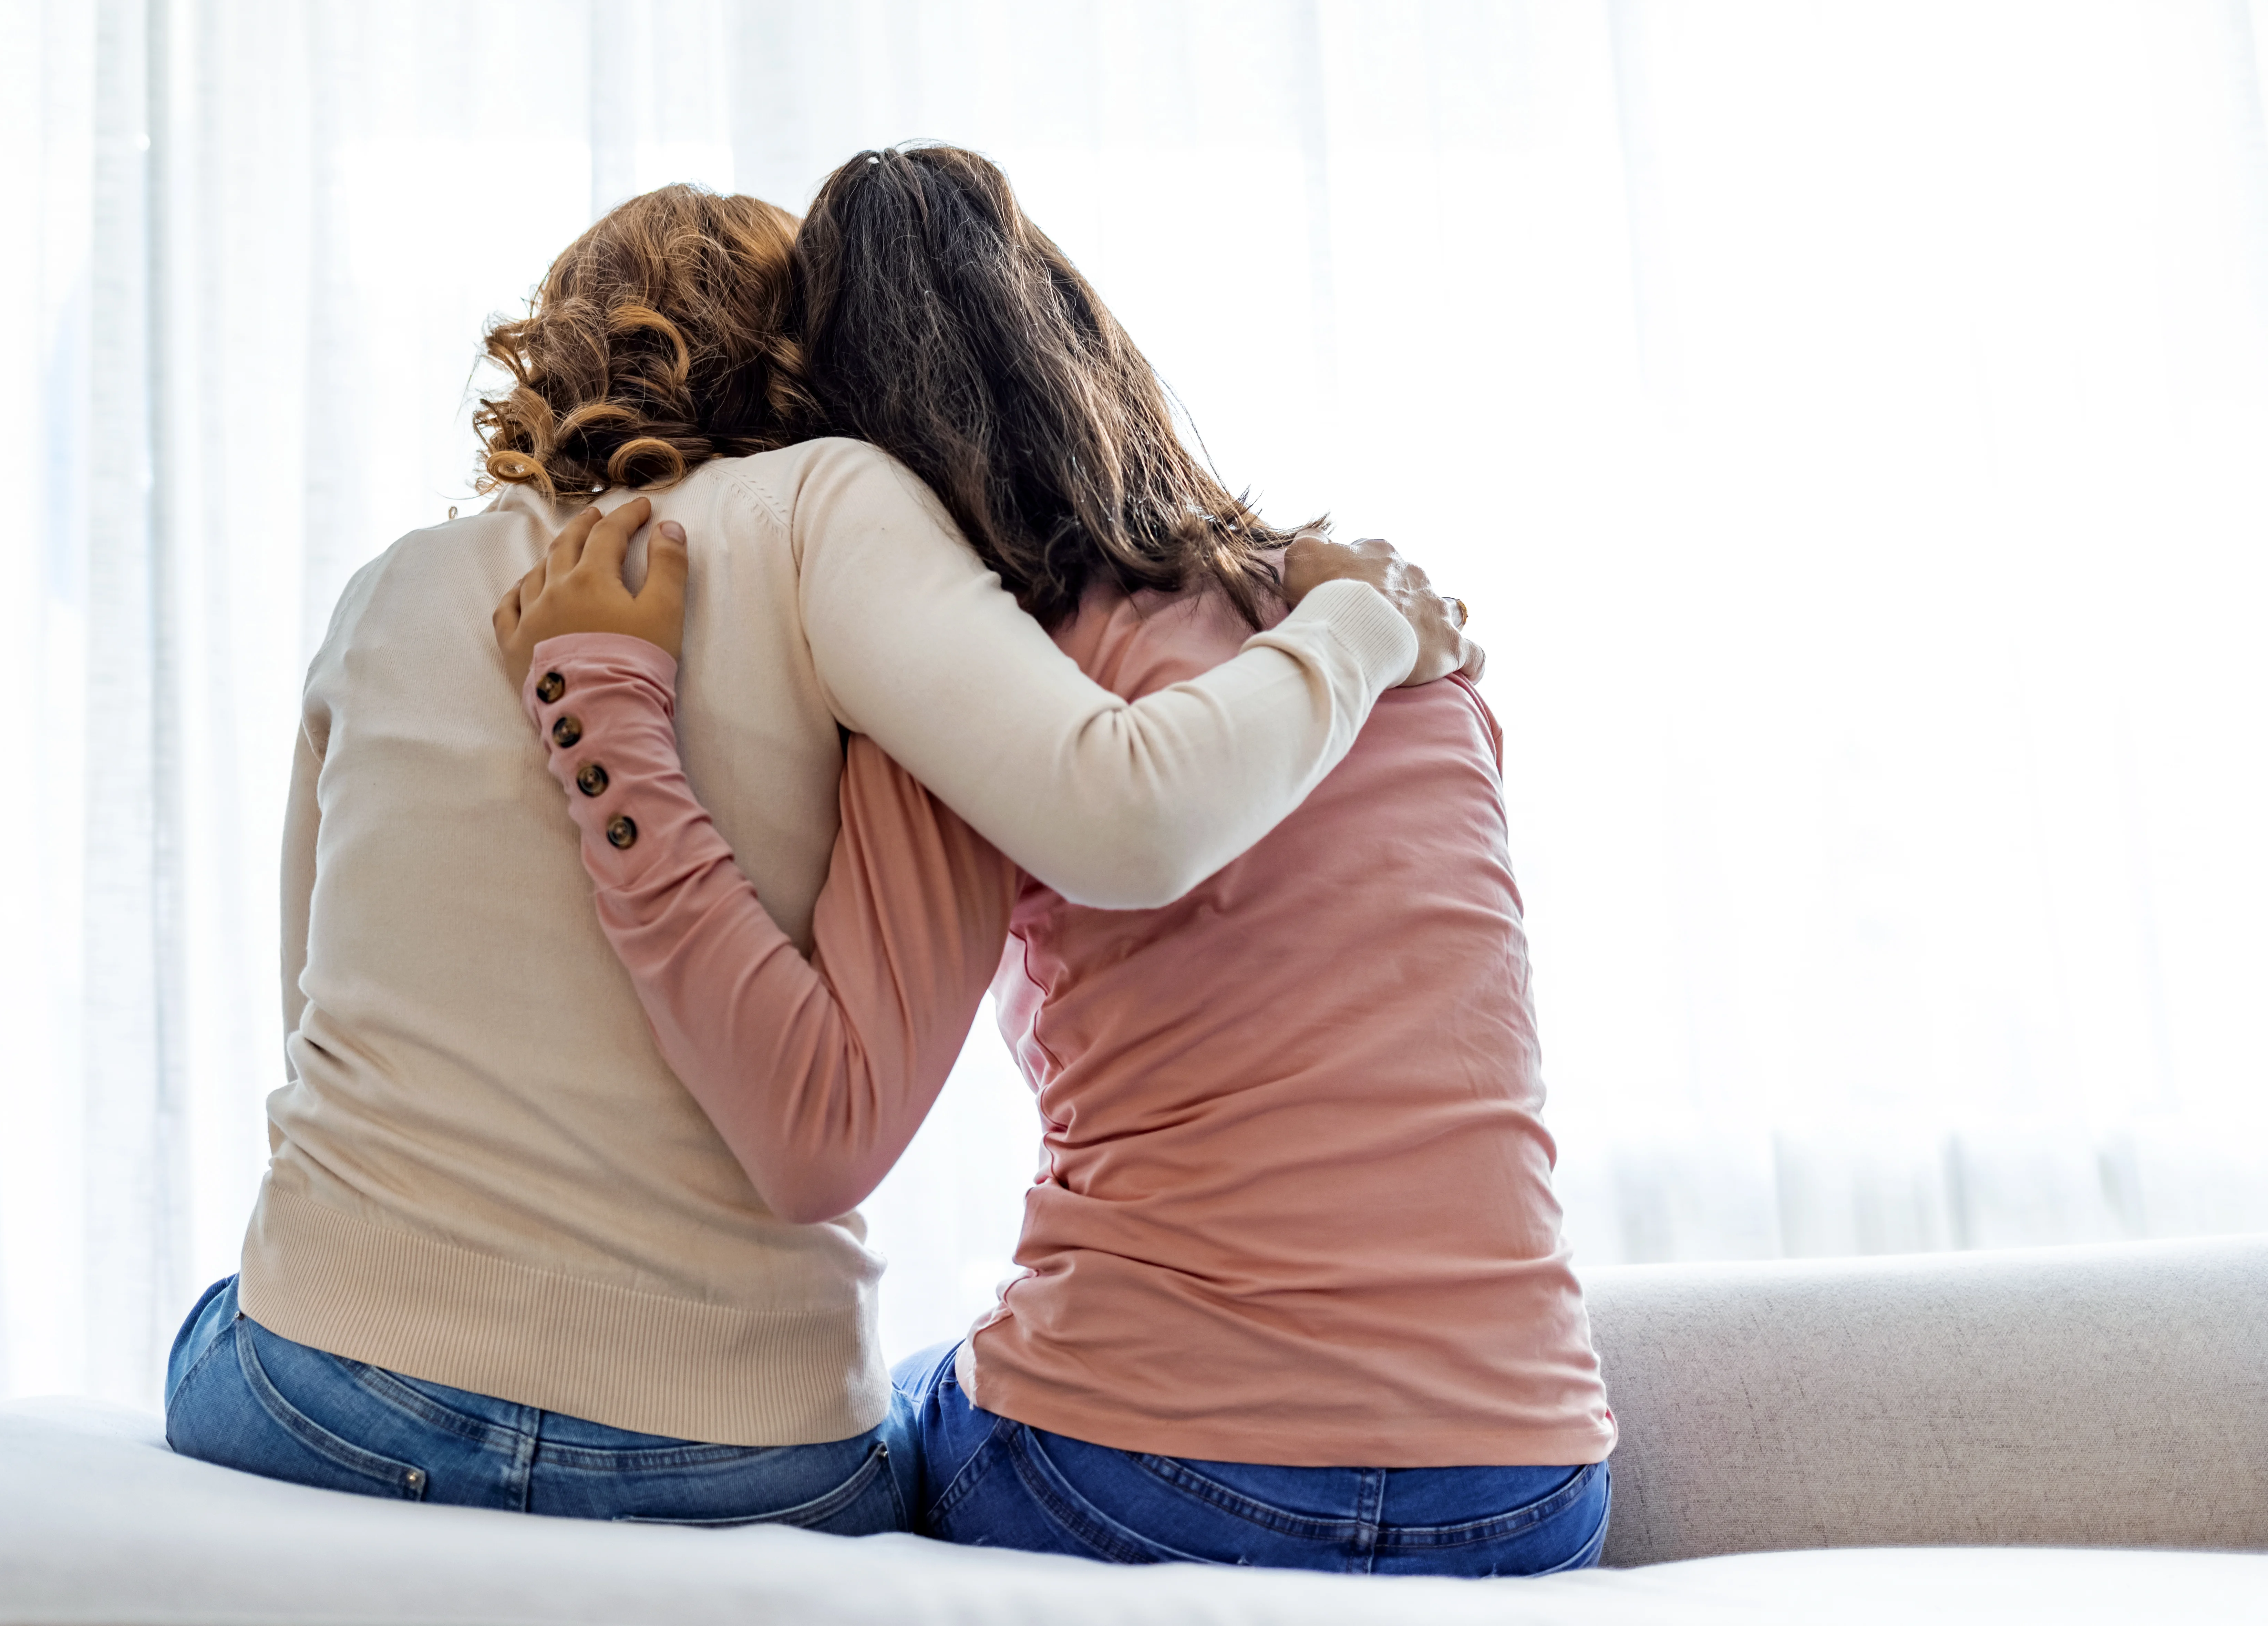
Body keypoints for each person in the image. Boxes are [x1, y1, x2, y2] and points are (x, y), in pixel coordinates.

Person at [161, 181, 1477, 1531]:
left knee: (225, 1312)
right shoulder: (832, 510)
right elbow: (1110, 812)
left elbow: (313, 1022)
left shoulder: (388, 586)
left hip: (324, 1389)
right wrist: (1355, 623)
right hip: (730, 1445)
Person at [491, 145, 1612, 1573]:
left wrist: (613, 734)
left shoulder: (978, 684)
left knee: (863, 1424)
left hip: (1148, 1466)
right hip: (1526, 1479)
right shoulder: (1400, 639)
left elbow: (813, 1132)